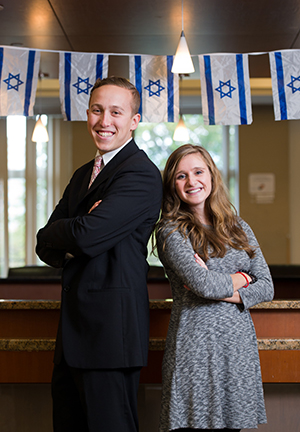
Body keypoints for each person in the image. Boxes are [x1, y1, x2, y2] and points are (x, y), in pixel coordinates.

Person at [36, 76, 162, 432]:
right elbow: (44, 242)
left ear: (134, 121)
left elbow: (87, 237)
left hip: (110, 337)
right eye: (97, 110)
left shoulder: (140, 174)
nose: (104, 121)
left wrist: (73, 230)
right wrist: (69, 231)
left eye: (116, 112)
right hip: (72, 336)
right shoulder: (82, 176)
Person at [155, 144, 274, 432]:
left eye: (198, 171)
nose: (192, 181)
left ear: (212, 175)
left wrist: (223, 284)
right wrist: (243, 278)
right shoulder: (171, 231)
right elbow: (203, 285)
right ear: (172, 185)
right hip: (195, 349)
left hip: (237, 348)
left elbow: (267, 286)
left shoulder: (238, 227)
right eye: (181, 176)